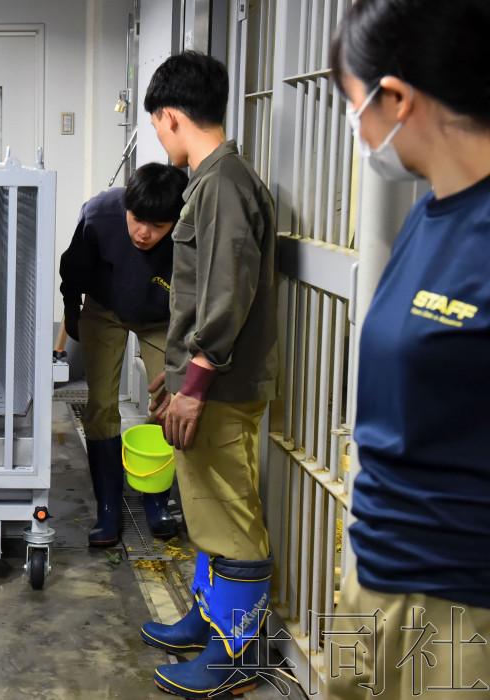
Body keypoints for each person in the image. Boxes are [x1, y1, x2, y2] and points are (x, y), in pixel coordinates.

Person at [325, 1, 490, 697]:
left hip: (458, 600)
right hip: (375, 568)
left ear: (395, 98)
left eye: (352, 102)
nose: (356, 125)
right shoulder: (430, 212)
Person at [137, 51, 279, 697]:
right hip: (204, 381)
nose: (158, 136)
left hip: (219, 387)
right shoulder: (212, 180)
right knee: (206, 509)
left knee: (228, 514)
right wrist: (174, 376)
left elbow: (225, 297)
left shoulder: (222, 183)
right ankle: (209, 620)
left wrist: (192, 387)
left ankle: (239, 653)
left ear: (171, 116)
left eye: (155, 124)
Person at [59, 162, 189, 547]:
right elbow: (73, 268)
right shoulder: (99, 214)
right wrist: (72, 310)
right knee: (100, 404)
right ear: (126, 207)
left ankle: (156, 499)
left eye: (158, 226)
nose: (144, 233)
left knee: (167, 401)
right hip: (105, 308)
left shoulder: (192, 225)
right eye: (137, 220)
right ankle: (109, 508)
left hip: (162, 317)